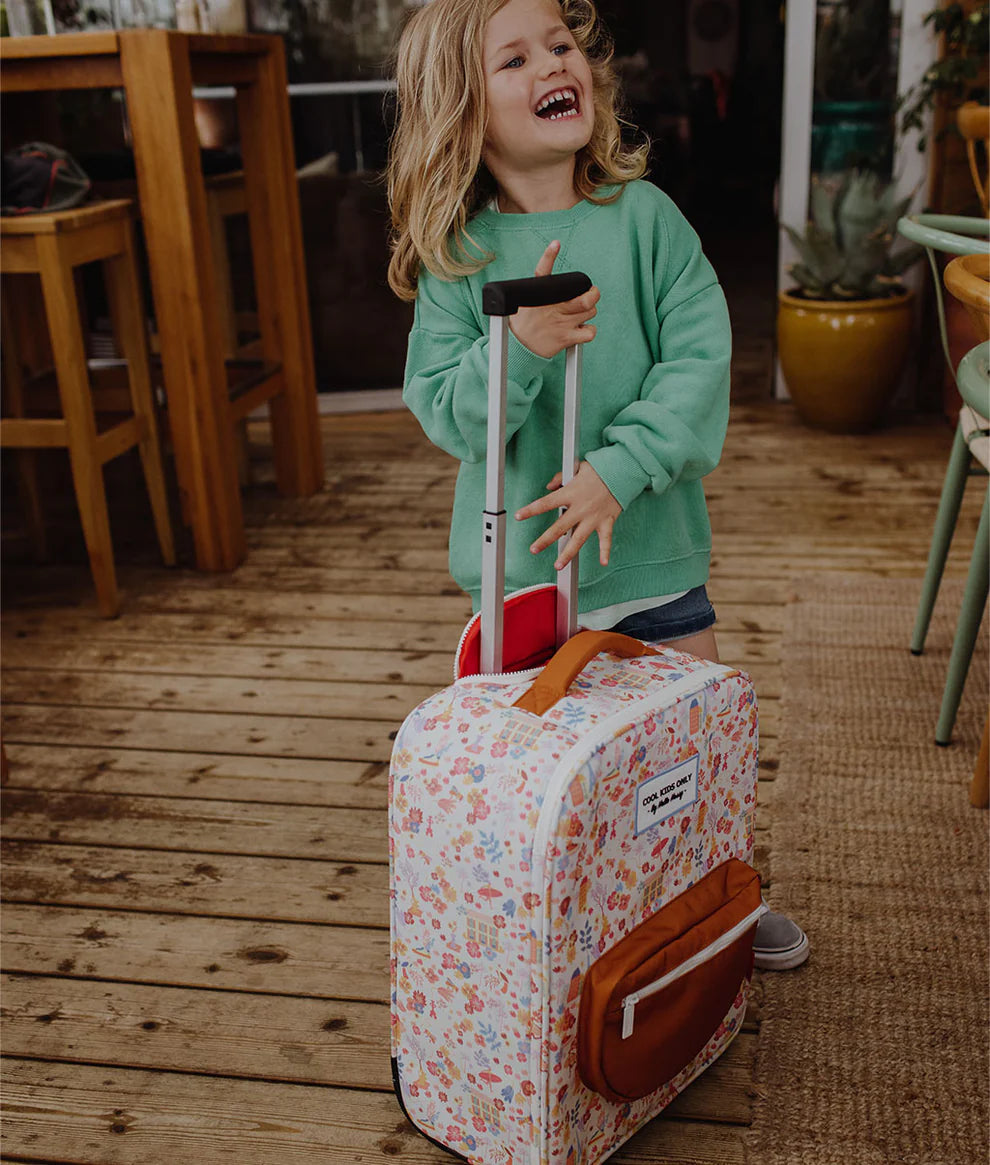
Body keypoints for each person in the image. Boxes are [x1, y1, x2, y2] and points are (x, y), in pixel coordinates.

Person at [387, 0, 808, 972]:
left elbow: (700, 356)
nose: (551, 64)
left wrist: (620, 469)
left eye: (561, 45)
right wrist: (519, 350)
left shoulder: (647, 219)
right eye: (516, 57)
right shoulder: (459, 258)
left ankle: (714, 894)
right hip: (524, 594)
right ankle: (571, 943)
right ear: (464, 110)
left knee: (684, 756)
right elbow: (448, 412)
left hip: (654, 571)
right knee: (544, 782)